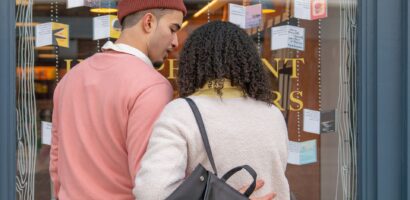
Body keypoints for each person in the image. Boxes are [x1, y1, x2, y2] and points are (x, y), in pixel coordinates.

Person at [134, 21, 290, 200]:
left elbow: (151, 194)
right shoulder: (273, 114)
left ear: (192, 63)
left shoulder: (182, 113)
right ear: (248, 61)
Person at [49, 1, 186, 199]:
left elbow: (56, 163)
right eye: (172, 29)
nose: (175, 41)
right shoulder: (152, 86)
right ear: (148, 22)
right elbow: (151, 182)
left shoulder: (69, 79)